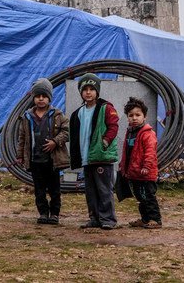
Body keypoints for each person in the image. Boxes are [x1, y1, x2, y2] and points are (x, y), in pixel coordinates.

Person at [16, 78, 70, 225]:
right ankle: (43, 213)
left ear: (49, 98)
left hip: (52, 160)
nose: (41, 99)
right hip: (35, 160)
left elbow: (67, 132)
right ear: (33, 98)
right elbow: (22, 138)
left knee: (54, 189)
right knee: (39, 190)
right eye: (38, 96)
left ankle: (54, 214)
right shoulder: (27, 116)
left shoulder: (57, 115)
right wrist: (20, 155)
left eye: (44, 96)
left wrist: (55, 141)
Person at [69, 73, 119, 230]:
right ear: (81, 92)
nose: (88, 92)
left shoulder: (106, 108)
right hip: (87, 158)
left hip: (101, 156)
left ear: (97, 91)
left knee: (104, 189)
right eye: (85, 89)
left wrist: (105, 141)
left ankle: (108, 219)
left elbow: (114, 126)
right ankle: (94, 218)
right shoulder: (78, 113)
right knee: (90, 191)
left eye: (92, 89)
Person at [119, 97, 162, 229]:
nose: (134, 118)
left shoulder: (147, 134)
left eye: (138, 115)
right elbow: (126, 152)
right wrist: (123, 166)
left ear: (145, 116)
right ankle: (145, 219)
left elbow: (150, 152)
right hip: (135, 173)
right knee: (140, 198)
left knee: (149, 196)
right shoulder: (130, 132)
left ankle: (155, 219)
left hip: (146, 173)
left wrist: (146, 166)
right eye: (131, 115)